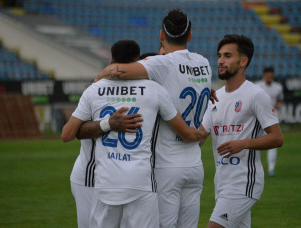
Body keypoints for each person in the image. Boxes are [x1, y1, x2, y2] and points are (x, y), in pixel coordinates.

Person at [61, 39, 207, 228]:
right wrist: (200, 133)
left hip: (104, 180)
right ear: (139, 63)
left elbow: (67, 134)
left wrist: (106, 124)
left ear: (112, 63)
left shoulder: (95, 89)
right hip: (135, 181)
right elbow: (186, 131)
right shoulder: (154, 90)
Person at [94, 8, 213, 228]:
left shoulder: (161, 63)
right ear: (190, 35)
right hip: (195, 165)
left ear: (161, 35)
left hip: (166, 165)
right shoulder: (204, 63)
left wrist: (101, 75)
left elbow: (120, 70)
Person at [199, 34, 283, 228]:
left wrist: (243, 143)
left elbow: (277, 138)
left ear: (243, 61)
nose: (220, 61)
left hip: (244, 183)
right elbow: (199, 137)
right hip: (222, 183)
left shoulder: (255, 95)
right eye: (219, 55)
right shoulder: (215, 98)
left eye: (227, 56)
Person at [61, 40, 143, 228]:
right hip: (91, 175)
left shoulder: (142, 90)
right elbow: (67, 134)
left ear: (111, 60)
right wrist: (108, 124)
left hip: (120, 177)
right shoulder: (96, 89)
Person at [255, 67, 284, 177]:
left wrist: (278, 105)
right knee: (258, 144)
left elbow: (281, 99)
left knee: (273, 143)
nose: (269, 78)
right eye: (267, 76)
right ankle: (257, 168)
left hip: (272, 119)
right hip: (258, 120)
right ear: (264, 76)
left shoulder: (278, 87)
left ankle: (271, 169)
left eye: (271, 76)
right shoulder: (257, 86)